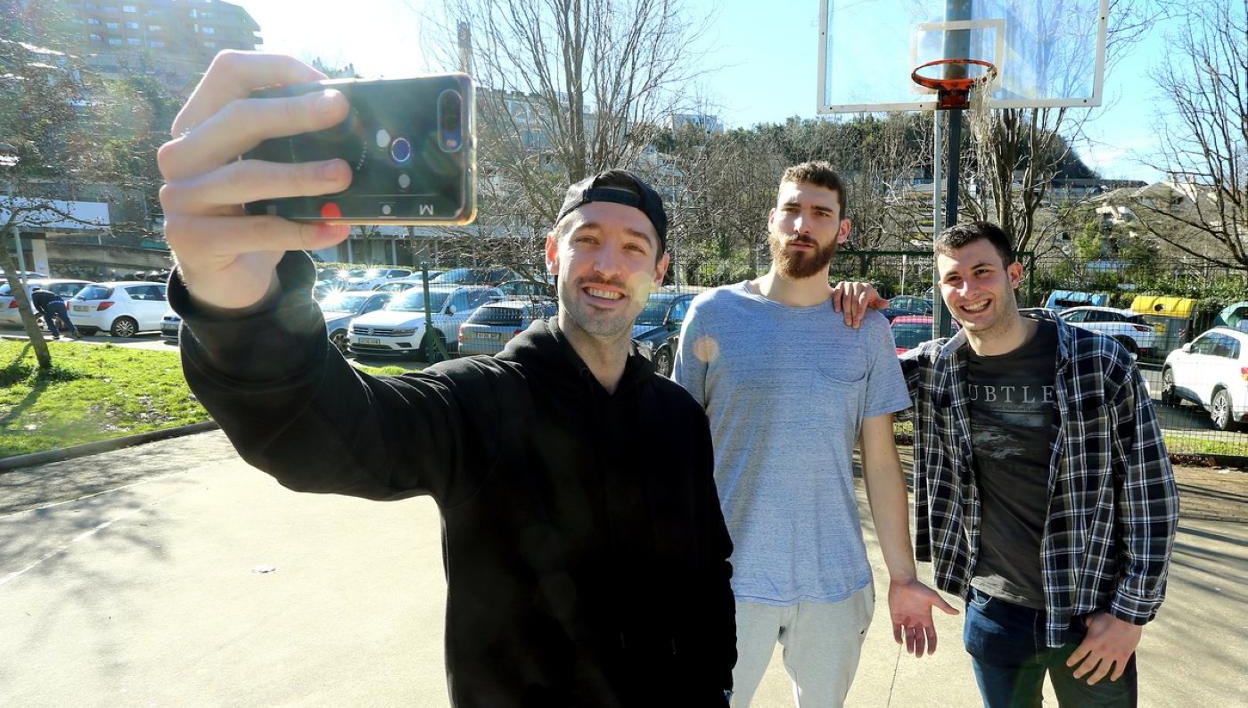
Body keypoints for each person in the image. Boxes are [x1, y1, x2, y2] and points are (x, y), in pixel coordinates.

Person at [157, 51, 735, 706]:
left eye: (633, 247)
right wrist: (237, 297)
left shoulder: (679, 418)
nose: (607, 264)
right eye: (587, 239)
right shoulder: (477, 402)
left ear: (659, 272)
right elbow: (318, 432)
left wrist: (714, 687)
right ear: (552, 253)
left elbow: (708, 572)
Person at [673, 162, 956, 707]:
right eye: (792, 209)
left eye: (821, 213)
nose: (804, 224)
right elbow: (677, 450)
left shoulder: (866, 329)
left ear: (842, 230)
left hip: (834, 581)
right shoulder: (713, 314)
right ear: (771, 220)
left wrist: (904, 575)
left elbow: (880, 461)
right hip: (725, 580)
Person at [899, 220, 1179, 707]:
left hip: (1090, 615)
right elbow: (848, 382)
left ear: (1015, 273)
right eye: (952, 279)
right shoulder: (934, 369)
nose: (968, 290)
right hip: (993, 612)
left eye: (982, 272)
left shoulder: (1099, 363)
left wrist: (1131, 615)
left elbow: (1152, 496)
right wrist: (844, 302)